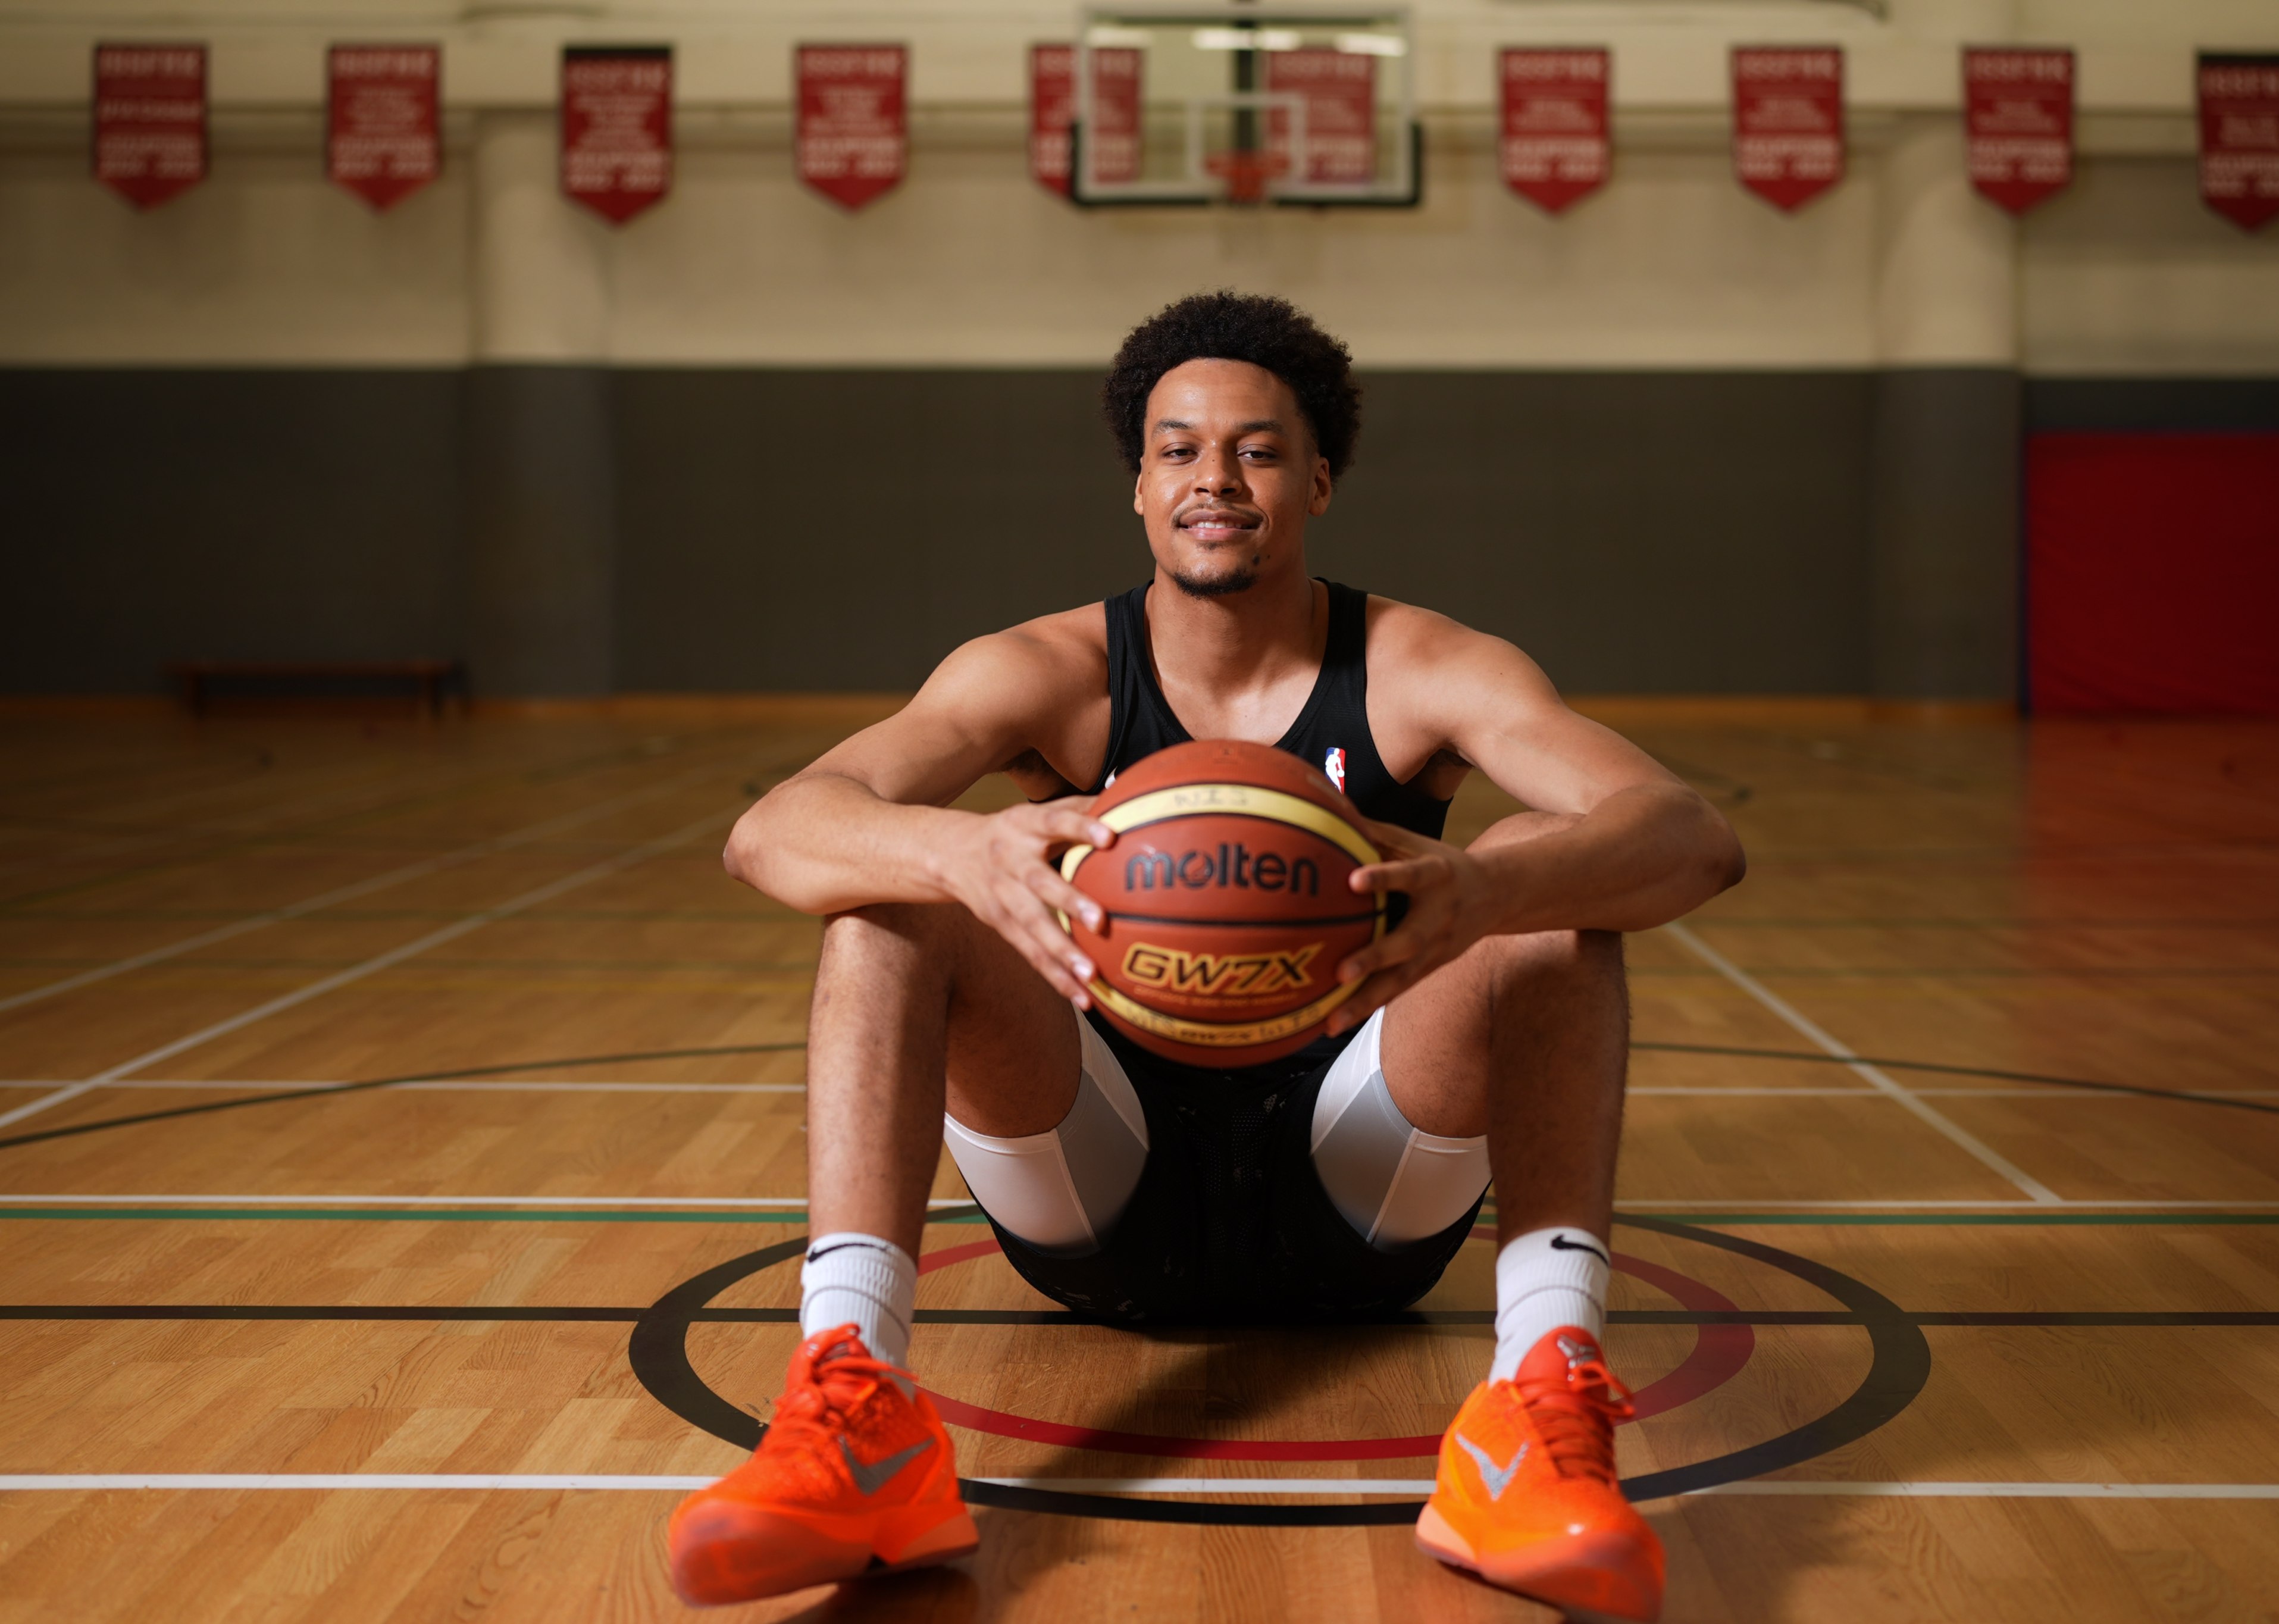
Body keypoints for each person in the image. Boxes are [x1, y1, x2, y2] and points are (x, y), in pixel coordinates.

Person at [665, 292, 1745, 1622]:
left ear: (1318, 479)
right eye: (1178, 450)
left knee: (1555, 891)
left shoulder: (1418, 668)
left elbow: (1686, 837)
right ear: (1136, 486)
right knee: (889, 896)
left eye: (1256, 450)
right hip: (1097, 1175)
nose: (1213, 481)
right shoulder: (1046, 668)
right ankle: (854, 1416)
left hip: (1363, 1182)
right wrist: (962, 855)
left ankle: (1533, 1414)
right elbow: (773, 831)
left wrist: (1478, 886)